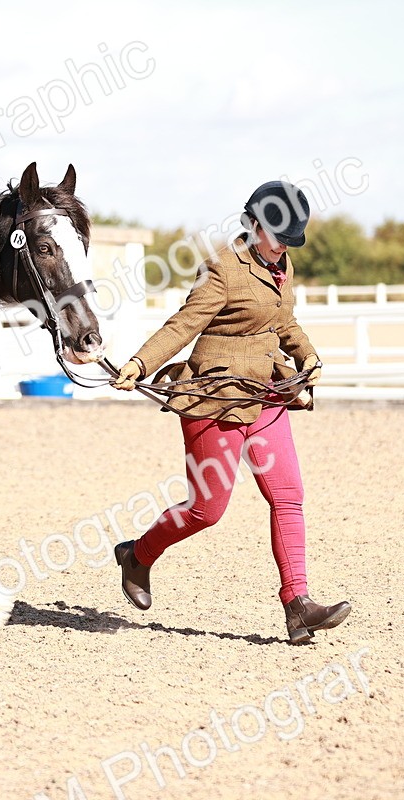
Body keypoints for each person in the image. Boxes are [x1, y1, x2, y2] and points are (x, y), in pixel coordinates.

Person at [111, 180, 351, 644]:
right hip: (215, 398)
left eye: (290, 240)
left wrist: (308, 355)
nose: (283, 247)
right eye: (278, 235)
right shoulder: (223, 269)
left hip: (264, 393)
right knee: (207, 510)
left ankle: (298, 605)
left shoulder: (283, 267)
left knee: (288, 495)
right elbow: (183, 324)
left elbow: (284, 321)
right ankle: (137, 556)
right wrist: (141, 363)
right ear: (255, 224)